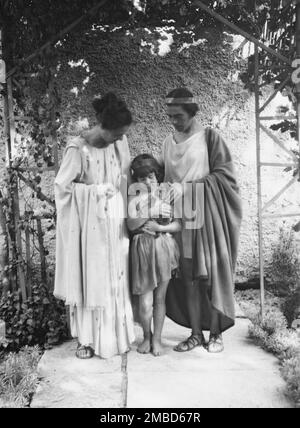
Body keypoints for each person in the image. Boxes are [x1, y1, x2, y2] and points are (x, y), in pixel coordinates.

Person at [160, 87, 242, 353]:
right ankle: (195, 334)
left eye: (178, 115)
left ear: (192, 113)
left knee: (210, 276)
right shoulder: (167, 142)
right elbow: (163, 179)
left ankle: (216, 333)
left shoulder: (209, 138)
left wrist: (189, 187)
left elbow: (225, 176)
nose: (173, 121)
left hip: (207, 216)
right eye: (170, 115)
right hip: (180, 220)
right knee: (188, 278)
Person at [54, 92, 135, 359]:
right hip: (89, 228)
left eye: (124, 134)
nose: (122, 139)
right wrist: (94, 192)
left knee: (115, 276)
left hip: (115, 223)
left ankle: (117, 336)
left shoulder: (120, 145)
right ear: (103, 126)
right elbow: (63, 189)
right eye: (118, 133)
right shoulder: (78, 149)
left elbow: (124, 180)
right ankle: (87, 340)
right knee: (92, 277)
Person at [127, 154, 181, 356]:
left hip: (163, 247)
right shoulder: (134, 197)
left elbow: (178, 224)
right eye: (142, 179)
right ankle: (146, 337)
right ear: (137, 181)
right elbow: (131, 225)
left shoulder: (166, 193)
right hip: (142, 248)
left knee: (160, 299)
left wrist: (158, 224)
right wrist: (150, 209)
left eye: (151, 177)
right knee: (144, 301)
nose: (147, 182)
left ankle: (157, 339)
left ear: (157, 175)